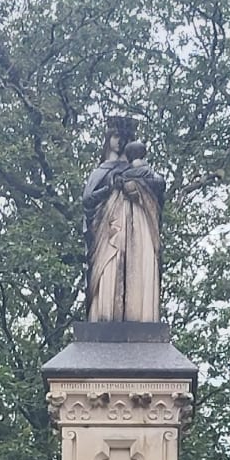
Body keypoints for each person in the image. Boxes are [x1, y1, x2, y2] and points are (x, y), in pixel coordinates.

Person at [83, 119, 165, 321]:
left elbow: (159, 186)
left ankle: (133, 309)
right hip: (108, 228)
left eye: (126, 137)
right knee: (110, 268)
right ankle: (107, 311)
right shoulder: (101, 171)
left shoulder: (140, 170)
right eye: (116, 136)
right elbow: (88, 201)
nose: (121, 141)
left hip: (135, 227)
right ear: (108, 138)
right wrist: (110, 187)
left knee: (136, 268)